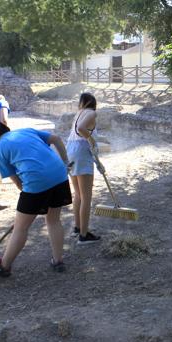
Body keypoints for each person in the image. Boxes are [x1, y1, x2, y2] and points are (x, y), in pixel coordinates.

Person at [0, 120, 72, 277]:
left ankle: (4, 266)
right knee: (54, 220)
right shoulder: (26, 131)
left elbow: (18, 183)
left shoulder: (0, 149)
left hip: (36, 182)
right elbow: (56, 139)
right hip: (60, 175)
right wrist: (65, 162)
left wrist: (27, 208)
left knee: (21, 227)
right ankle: (58, 261)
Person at [67, 93, 101, 245]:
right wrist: (92, 140)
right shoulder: (92, 112)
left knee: (78, 194)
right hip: (81, 152)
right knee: (86, 197)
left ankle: (77, 227)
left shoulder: (78, 113)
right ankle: (84, 235)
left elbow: (79, 129)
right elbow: (82, 129)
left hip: (71, 151)